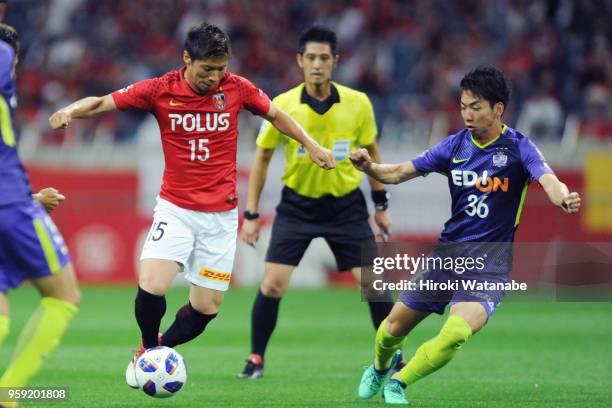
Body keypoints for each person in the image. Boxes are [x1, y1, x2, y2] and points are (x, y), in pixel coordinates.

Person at [48, 22, 335, 388]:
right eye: (206, 70)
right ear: (187, 59)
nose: (214, 78)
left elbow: (276, 115)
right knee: (152, 283)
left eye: (221, 69)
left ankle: (157, 350)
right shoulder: (158, 89)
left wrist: (311, 144)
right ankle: (150, 349)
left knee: (206, 309)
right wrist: (70, 110)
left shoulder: (237, 88)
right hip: (176, 208)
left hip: (220, 217)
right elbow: (104, 101)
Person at [350, 65, 581, 404]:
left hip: (490, 266)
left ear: (497, 109)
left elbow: (547, 178)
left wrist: (562, 196)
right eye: (463, 106)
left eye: (476, 107)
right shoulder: (454, 146)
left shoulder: (519, 147)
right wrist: (369, 167)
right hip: (447, 256)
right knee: (391, 330)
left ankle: (398, 382)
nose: (467, 114)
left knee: (456, 333)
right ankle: (380, 367)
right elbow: (399, 172)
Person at [238, 25, 396, 380]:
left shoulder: (358, 103)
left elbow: (372, 152)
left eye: (324, 57)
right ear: (300, 60)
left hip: (346, 206)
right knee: (272, 284)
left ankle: (392, 356)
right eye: (310, 57)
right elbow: (261, 157)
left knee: (375, 284)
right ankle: (255, 359)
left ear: (335, 61)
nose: (317, 64)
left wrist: (381, 204)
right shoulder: (283, 105)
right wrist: (250, 213)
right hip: (298, 206)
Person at [0, 23, 80, 408]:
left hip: (13, 200)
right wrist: (25, 201)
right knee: (63, 296)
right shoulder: (2, 59)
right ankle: (9, 394)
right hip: (10, 207)